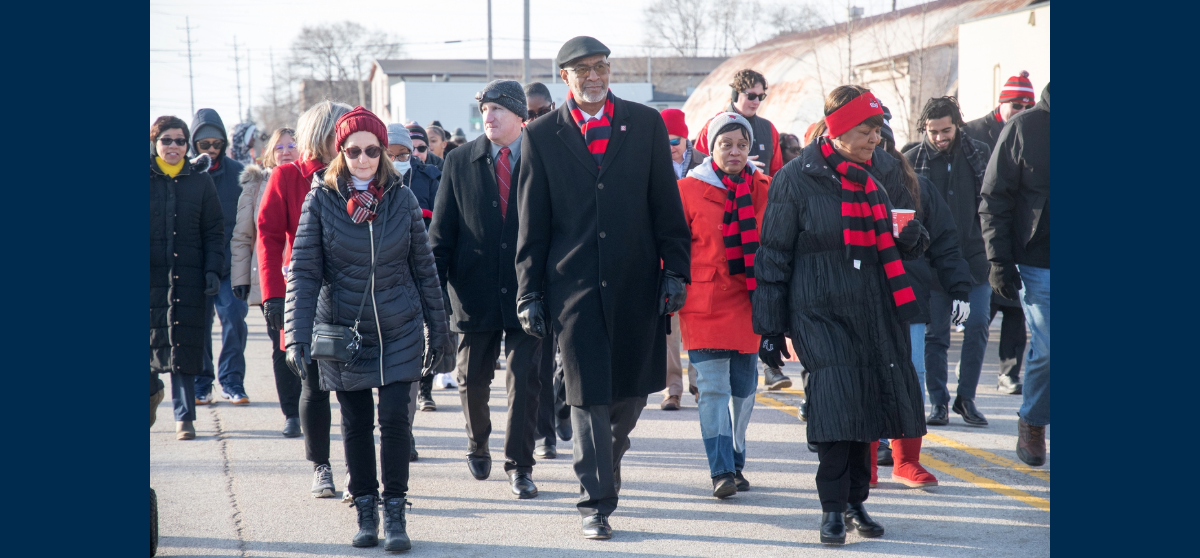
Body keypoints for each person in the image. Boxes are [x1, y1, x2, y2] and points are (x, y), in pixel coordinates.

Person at [515, 36, 691, 540]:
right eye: (583, 70)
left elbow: (666, 207)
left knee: (629, 398)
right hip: (572, 290)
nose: (594, 76)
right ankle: (595, 502)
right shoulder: (541, 135)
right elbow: (532, 225)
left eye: (601, 67)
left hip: (637, 283)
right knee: (587, 396)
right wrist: (528, 292)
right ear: (565, 77)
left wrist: (676, 272)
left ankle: (605, 463)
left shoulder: (646, 124)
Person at [754, 85, 929, 545]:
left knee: (866, 404)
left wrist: (911, 236)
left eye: (878, 129)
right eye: (867, 129)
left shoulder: (878, 174)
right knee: (836, 405)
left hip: (874, 308)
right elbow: (773, 254)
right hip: (819, 311)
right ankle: (832, 508)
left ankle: (855, 501)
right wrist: (769, 327)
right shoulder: (795, 179)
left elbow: (902, 237)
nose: (876, 138)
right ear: (838, 129)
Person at [286, 106, 451, 552]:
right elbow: (303, 272)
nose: (363, 159)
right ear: (340, 152)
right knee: (356, 422)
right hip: (345, 330)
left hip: (400, 326)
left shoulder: (402, 199)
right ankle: (365, 509)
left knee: (396, 420)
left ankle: (395, 510)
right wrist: (296, 334)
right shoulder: (321, 200)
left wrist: (440, 331)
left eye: (372, 150)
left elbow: (425, 270)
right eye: (354, 150)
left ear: (383, 153)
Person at [430, 79, 547, 499]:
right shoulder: (460, 160)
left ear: (520, 116)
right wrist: (434, 296)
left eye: (498, 109)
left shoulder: (542, 157)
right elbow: (441, 233)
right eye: (484, 110)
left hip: (528, 292)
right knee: (471, 379)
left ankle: (520, 465)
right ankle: (478, 442)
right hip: (473, 292)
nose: (489, 117)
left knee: (525, 381)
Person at [872, 106, 972, 489]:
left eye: (881, 141)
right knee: (864, 375)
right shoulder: (839, 183)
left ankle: (905, 459)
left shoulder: (915, 185)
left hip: (907, 300)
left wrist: (959, 289)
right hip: (857, 299)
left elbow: (946, 240)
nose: (875, 148)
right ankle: (864, 458)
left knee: (911, 375)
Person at [257, 100, 352, 498]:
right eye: (338, 133)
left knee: (353, 389)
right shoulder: (288, 176)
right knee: (313, 386)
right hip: (306, 294)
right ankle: (321, 466)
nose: (346, 139)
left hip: (353, 293)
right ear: (320, 135)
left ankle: (357, 468)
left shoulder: (356, 171)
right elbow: (268, 236)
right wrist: (273, 297)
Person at [677, 112, 770, 498]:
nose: (735, 151)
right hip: (704, 304)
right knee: (713, 390)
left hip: (750, 302)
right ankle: (722, 471)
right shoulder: (687, 189)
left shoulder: (766, 188)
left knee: (743, 393)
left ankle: (736, 461)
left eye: (742, 145)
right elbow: (673, 247)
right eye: (726, 144)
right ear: (710, 148)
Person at [903, 96, 993, 428]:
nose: (940, 137)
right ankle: (938, 402)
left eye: (946, 130)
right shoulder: (911, 161)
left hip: (974, 260)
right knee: (936, 334)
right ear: (924, 129)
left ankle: (966, 398)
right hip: (932, 264)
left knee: (978, 324)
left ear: (957, 125)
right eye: (933, 132)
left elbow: (993, 202)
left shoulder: (979, 153)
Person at [979, 83, 1050, 467]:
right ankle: (1033, 422)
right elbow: (995, 197)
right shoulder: (1024, 127)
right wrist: (999, 261)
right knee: (1050, 348)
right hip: (1039, 261)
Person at [150, 115, 224, 441]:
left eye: (180, 141)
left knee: (184, 349)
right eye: (167, 140)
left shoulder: (200, 181)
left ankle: (185, 418)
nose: (174, 146)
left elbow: (214, 231)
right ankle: (152, 396)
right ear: (155, 142)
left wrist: (212, 270)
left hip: (189, 277)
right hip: (151, 279)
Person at [963, 71, 1036, 396]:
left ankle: (1009, 372)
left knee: (1015, 307)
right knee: (983, 308)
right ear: (1001, 102)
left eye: (1027, 105)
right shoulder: (973, 132)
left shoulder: (1032, 129)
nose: (1021, 110)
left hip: (1018, 229)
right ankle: (968, 368)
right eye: (1016, 104)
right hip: (981, 229)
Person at [230, 127, 303, 437]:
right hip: (271, 279)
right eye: (279, 147)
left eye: (291, 145)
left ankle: (312, 406)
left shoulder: (311, 180)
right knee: (281, 346)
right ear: (270, 153)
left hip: (308, 275)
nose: (285, 151)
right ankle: (292, 413)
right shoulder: (257, 186)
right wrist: (240, 277)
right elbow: (243, 235)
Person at [189, 109, 250, 406]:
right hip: (195, 265)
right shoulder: (186, 174)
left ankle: (232, 380)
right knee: (198, 325)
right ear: (193, 145)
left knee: (234, 318)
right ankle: (202, 383)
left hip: (229, 264)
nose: (211, 150)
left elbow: (248, 222)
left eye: (217, 144)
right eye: (205, 145)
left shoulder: (239, 172)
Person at [386, 124, 445, 417]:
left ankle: (424, 388)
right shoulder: (372, 179)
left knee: (423, 333)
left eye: (404, 154)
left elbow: (440, 220)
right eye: (391, 154)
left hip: (422, 263)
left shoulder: (430, 177)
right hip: (387, 269)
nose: (397, 160)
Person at [658, 108, 706, 410]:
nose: (670, 147)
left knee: (698, 324)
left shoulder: (705, 164)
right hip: (666, 255)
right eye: (664, 141)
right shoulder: (652, 163)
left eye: (675, 141)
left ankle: (699, 383)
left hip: (699, 253)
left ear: (686, 138)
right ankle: (671, 389)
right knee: (669, 328)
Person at [694, 69, 784, 176]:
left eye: (761, 97)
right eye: (751, 96)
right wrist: (739, 164)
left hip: (762, 187)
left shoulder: (769, 128)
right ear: (735, 94)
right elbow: (699, 167)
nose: (756, 102)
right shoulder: (712, 126)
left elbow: (777, 172)